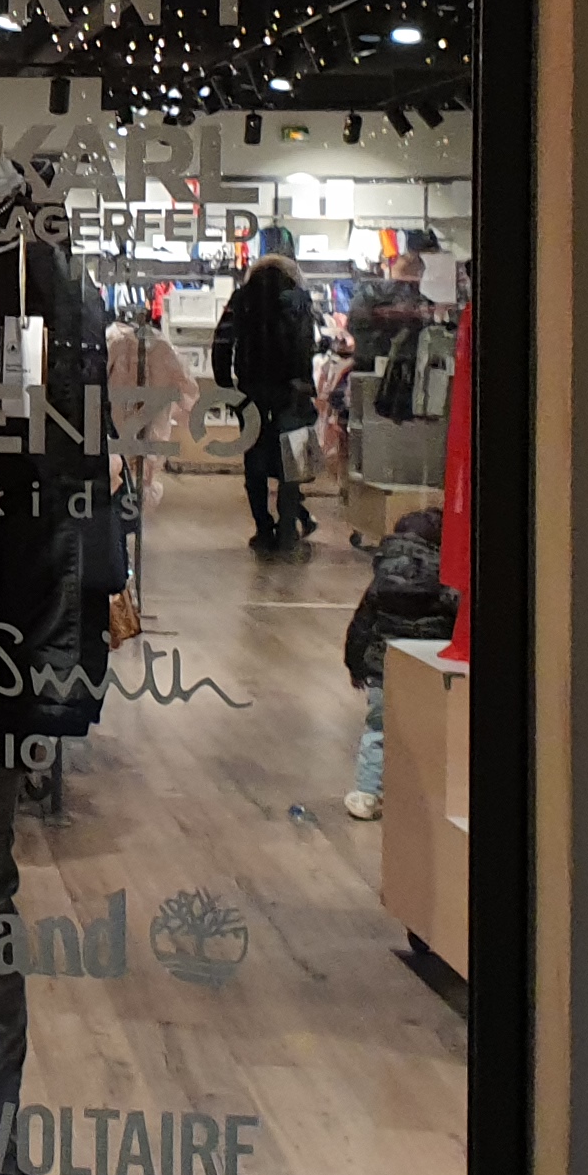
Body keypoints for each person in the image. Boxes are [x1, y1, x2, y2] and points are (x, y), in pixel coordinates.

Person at [340, 507, 455, 822]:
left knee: (378, 730)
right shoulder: (445, 577)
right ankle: (429, 797)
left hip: (383, 670)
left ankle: (367, 793)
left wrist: (355, 665)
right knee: (434, 731)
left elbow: (361, 625)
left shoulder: (381, 579)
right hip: (431, 668)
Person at [211, 229, 322, 553]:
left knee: (255, 459)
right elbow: (306, 345)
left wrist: (226, 386)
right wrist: (304, 383)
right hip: (291, 391)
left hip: (252, 390)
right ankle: (287, 528)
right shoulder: (299, 299)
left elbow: (222, 343)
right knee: (291, 458)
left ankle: (263, 528)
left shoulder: (242, 298)